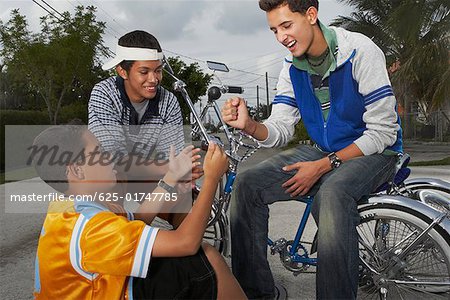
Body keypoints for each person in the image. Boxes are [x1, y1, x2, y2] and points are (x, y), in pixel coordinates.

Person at [221, 0, 403, 299]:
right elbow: (280, 128)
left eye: (286, 25)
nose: (281, 37)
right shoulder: (291, 67)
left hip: (375, 152)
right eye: (274, 30)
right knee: (247, 183)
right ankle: (256, 293)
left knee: (332, 193)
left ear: (311, 15)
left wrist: (323, 165)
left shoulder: (359, 50)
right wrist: (251, 125)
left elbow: (383, 131)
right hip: (326, 151)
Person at [32, 125, 246, 299]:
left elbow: (137, 222)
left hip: (96, 290)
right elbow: (186, 242)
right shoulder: (92, 228)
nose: (108, 157)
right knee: (205, 257)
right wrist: (211, 179)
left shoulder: (70, 208)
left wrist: (171, 177)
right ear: (76, 170)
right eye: (98, 153)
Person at [88, 30, 200, 226]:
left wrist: (181, 177)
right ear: (122, 71)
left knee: (186, 199)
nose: (154, 79)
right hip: (111, 175)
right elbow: (112, 160)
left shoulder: (168, 101)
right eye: (144, 72)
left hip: (147, 173)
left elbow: (171, 155)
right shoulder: (103, 93)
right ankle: (119, 244)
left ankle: (184, 249)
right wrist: (172, 169)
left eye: (158, 70)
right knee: (114, 179)